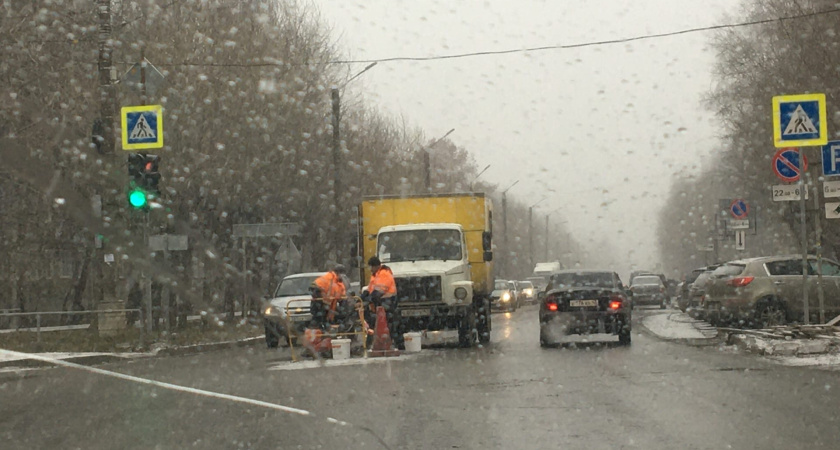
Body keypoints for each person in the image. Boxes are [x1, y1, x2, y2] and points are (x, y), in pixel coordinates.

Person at [363, 256, 403, 349]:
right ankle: (375, 343)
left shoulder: (384, 274)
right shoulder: (376, 275)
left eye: (370, 267)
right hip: (382, 304)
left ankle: (391, 344)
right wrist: (363, 298)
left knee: (388, 325)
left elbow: (379, 291)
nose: (370, 269)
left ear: (375, 266)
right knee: (379, 323)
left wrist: (367, 300)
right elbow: (370, 289)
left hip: (388, 303)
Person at [309, 265, 347, 329]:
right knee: (318, 321)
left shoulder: (338, 283)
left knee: (323, 321)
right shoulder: (329, 278)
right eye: (342, 275)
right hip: (320, 305)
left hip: (328, 306)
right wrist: (320, 298)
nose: (343, 277)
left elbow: (342, 296)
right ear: (338, 273)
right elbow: (313, 286)